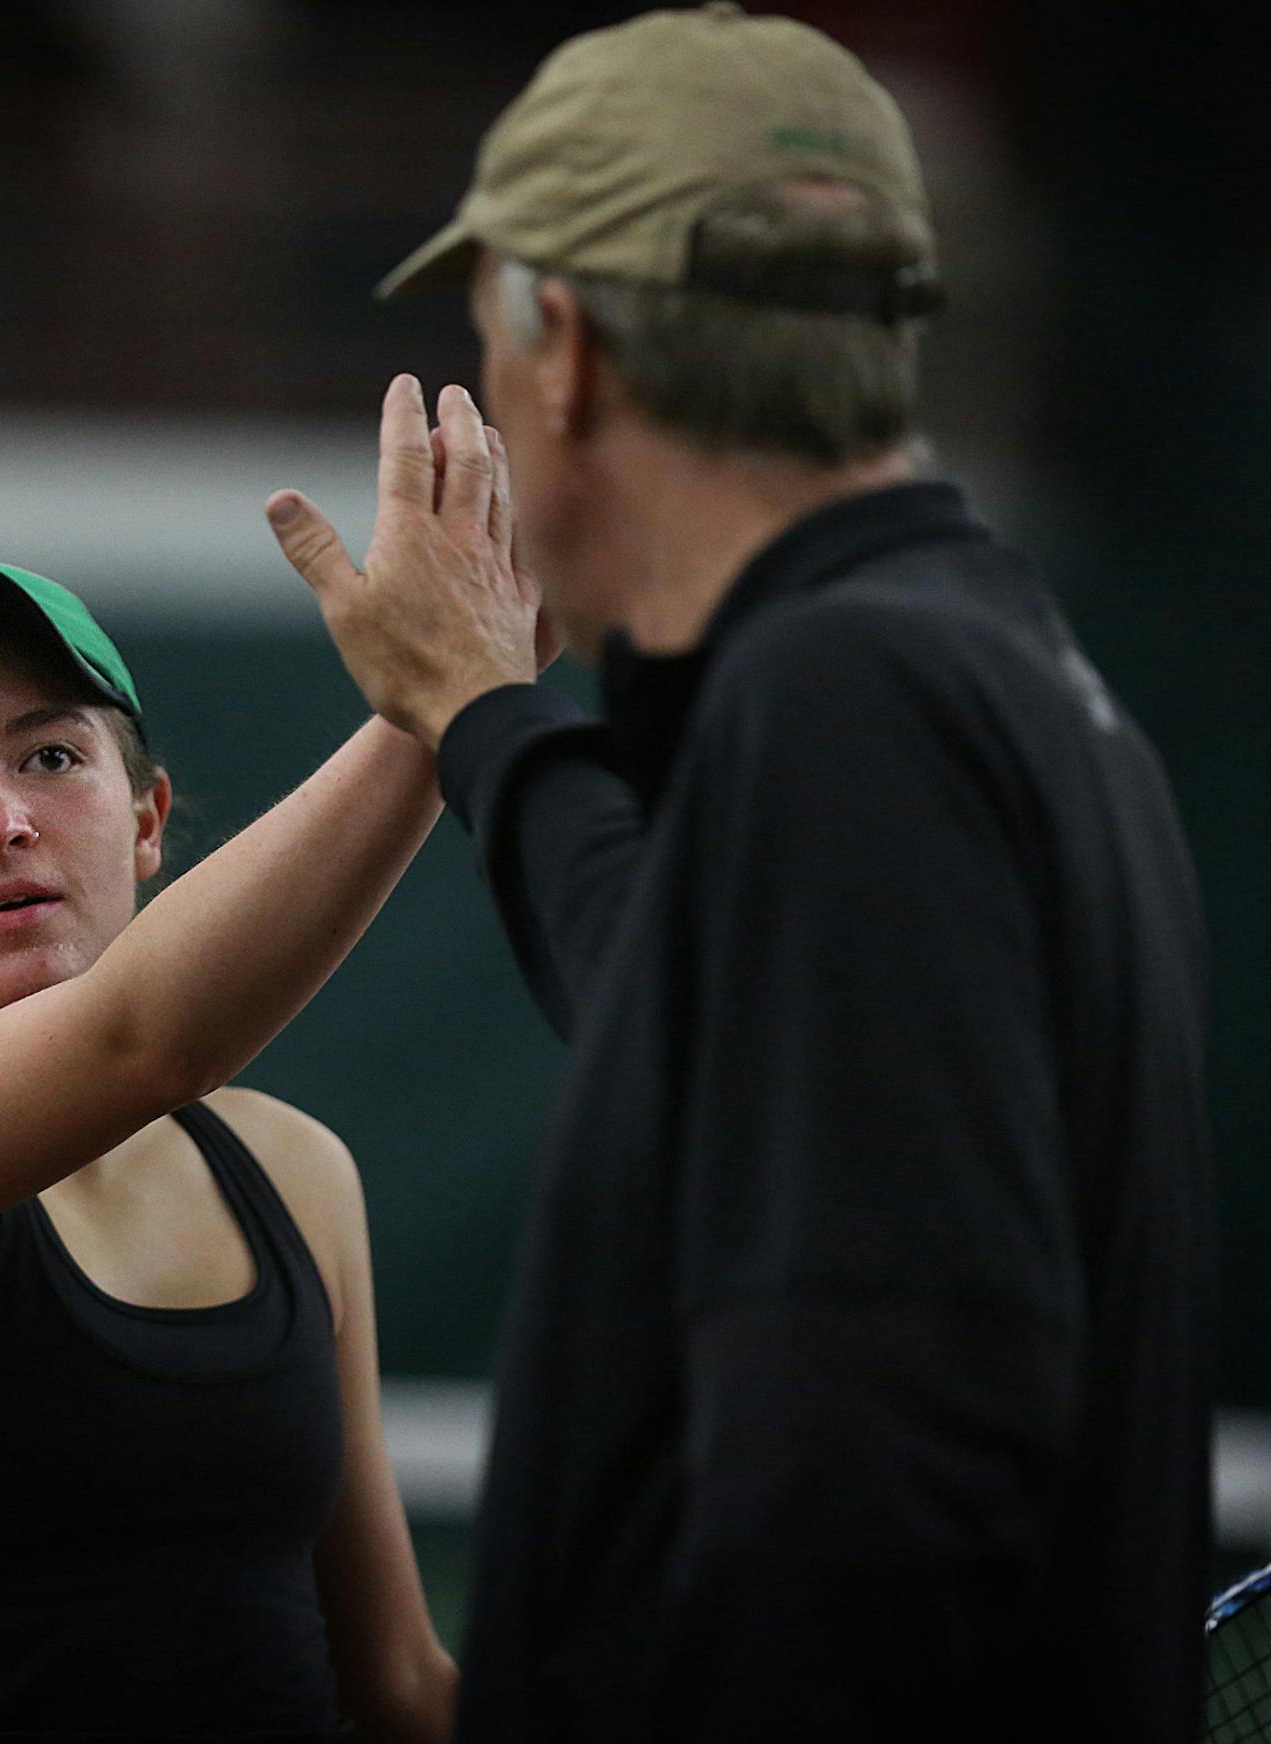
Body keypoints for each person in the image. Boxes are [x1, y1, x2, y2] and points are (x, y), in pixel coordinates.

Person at [263, 7, 1212, 1741]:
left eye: (488, 322)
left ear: (564, 348)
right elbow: (726, 1050)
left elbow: (859, 1489)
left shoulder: (847, 701)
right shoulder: (986, 670)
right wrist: (487, 718)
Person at [0, 553, 488, 1740]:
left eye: (51, 757)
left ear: (149, 818)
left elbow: (398, 1690)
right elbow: (143, 1045)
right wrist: (436, 718)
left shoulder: (298, 1175)